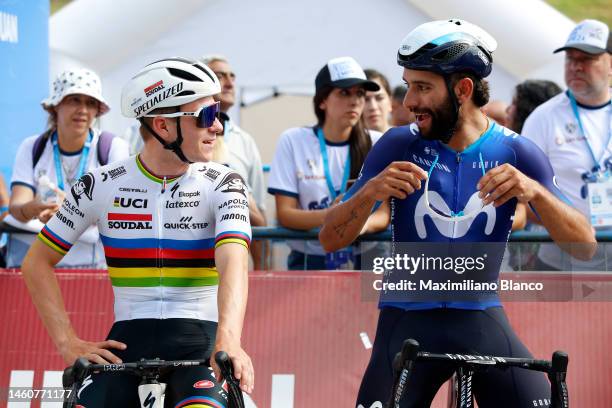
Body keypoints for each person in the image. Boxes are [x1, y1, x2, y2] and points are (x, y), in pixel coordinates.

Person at [319, 19, 595, 407]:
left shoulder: (517, 152)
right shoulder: (397, 145)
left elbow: (585, 246)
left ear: (463, 89)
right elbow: (329, 237)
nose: (407, 101)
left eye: (423, 87)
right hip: (406, 318)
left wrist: (535, 193)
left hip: (479, 316)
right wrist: (371, 192)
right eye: (409, 84)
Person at [21, 57, 254, 406]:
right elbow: (35, 262)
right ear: (162, 125)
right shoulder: (99, 184)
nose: (218, 127)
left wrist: (229, 338)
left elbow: (233, 259)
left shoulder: (224, 183)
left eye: (217, 114)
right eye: (206, 117)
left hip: (202, 341)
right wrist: (67, 342)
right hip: (126, 346)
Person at [268, 56, 389, 270]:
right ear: (322, 100)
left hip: (366, 256)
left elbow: (384, 213)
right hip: (310, 259)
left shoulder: (377, 142)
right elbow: (285, 215)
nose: (355, 101)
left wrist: (356, 226)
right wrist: (337, 217)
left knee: (366, 306)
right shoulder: (293, 140)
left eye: (360, 93)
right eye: (344, 93)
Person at [8, 68, 128, 268]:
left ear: (97, 110)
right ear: (55, 106)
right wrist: (35, 208)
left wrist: (72, 210)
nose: (83, 110)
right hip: (39, 263)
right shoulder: (32, 147)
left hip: (94, 267)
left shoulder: (113, 147)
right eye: (74, 99)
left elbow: (121, 211)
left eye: (90, 103)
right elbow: (17, 207)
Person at [521, 19, 611, 271]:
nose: (576, 67)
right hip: (561, 263)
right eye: (570, 59)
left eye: (587, 59)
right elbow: (524, 193)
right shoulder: (543, 117)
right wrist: (571, 228)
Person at [200, 55, 268, 269]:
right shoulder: (178, 137)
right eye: (220, 76)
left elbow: (259, 214)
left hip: (230, 264)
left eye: (232, 76)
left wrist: (262, 270)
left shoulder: (245, 141)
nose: (229, 83)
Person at [363, 69, 393, 133]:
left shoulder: (407, 140)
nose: (373, 107)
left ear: (390, 102)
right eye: (366, 99)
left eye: (379, 98)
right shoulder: (345, 142)